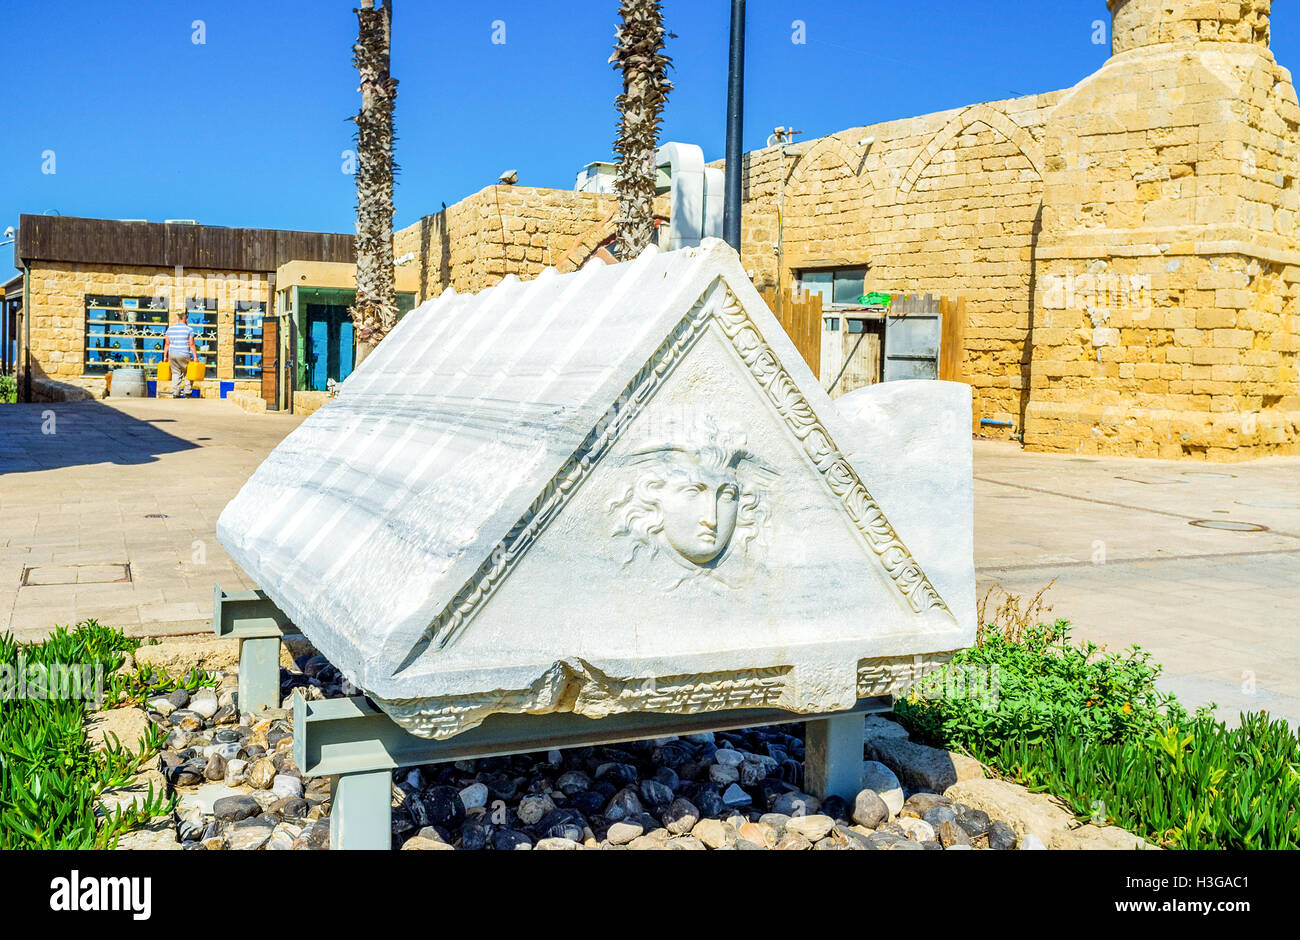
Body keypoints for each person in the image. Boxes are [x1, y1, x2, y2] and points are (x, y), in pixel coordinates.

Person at [162, 311, 199, 398]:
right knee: (188, 372)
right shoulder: (189, 329)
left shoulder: (170, 329)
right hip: (183, 353)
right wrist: (195, 357)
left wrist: (165, 356)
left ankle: (176, 393)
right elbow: (191, 344)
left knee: (175, 373)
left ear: (178, 319)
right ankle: (187, 392)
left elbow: (167, 344)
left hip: (172, 354)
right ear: (186, 319)